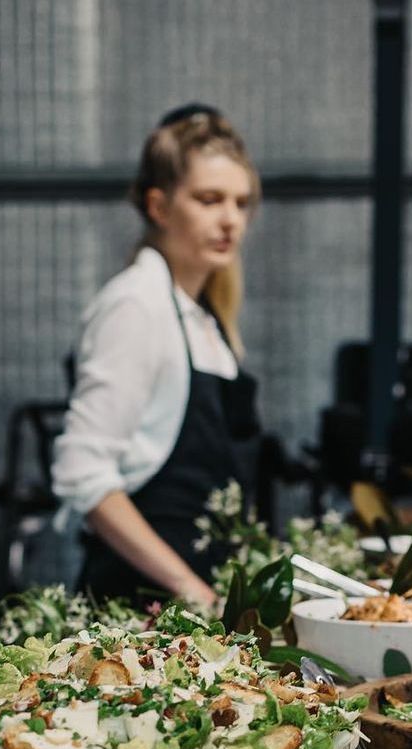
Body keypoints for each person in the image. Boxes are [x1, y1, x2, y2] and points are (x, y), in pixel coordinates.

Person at [52, 106, 261, 607]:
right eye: (209, 200)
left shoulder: (203, 317)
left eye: (241, 202)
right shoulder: (136, 305)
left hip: (200, 608)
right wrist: (189, 589)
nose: (230, 219)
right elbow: (83, 473)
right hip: (141, 607)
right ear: (159, 206)